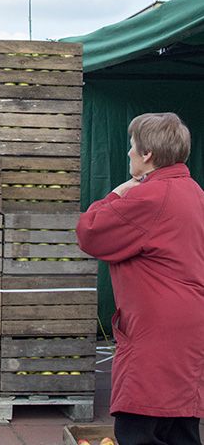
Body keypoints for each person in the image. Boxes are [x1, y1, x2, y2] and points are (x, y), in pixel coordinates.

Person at [76, 112, 204, 445]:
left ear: (147, 154)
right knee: (180, 428)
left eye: (132, 147)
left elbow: (91, 233)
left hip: (156, 336)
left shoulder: (149, 197)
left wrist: (117, 192)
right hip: (186, 331)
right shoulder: (193, 191)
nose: (128, 153)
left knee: (138, 429)